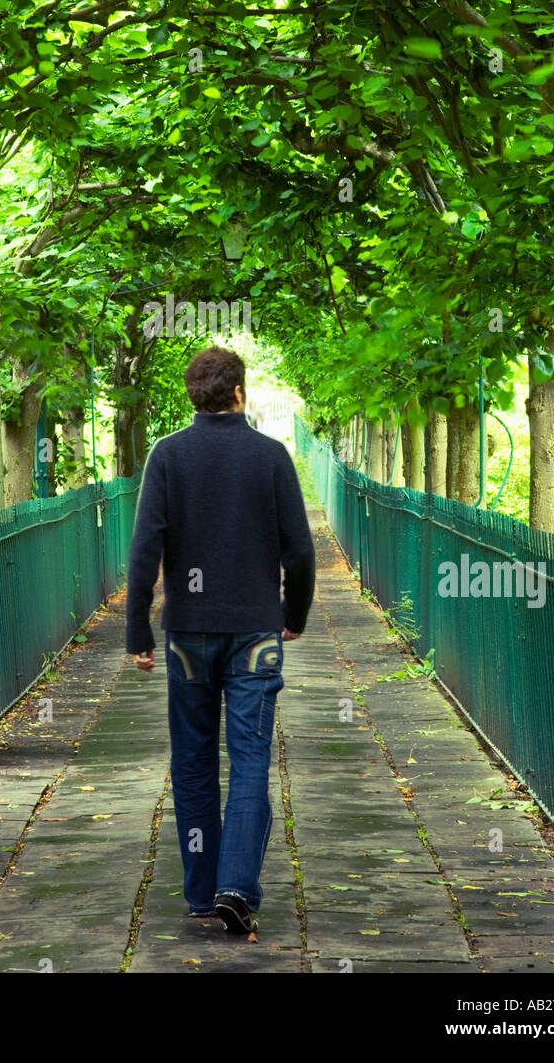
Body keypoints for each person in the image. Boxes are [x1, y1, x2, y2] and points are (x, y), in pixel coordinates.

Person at [125, 346, 315, 938]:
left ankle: (202, 893)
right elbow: (300, 552)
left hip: (187, 635)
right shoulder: (271, 457)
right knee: (252, 757)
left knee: (193, 760)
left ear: (192, 396)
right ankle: (238, 887)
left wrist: (138, 632)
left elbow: (143, 554)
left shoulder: (168, 456)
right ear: (241, 392)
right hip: (255, 631)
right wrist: (294, 614)